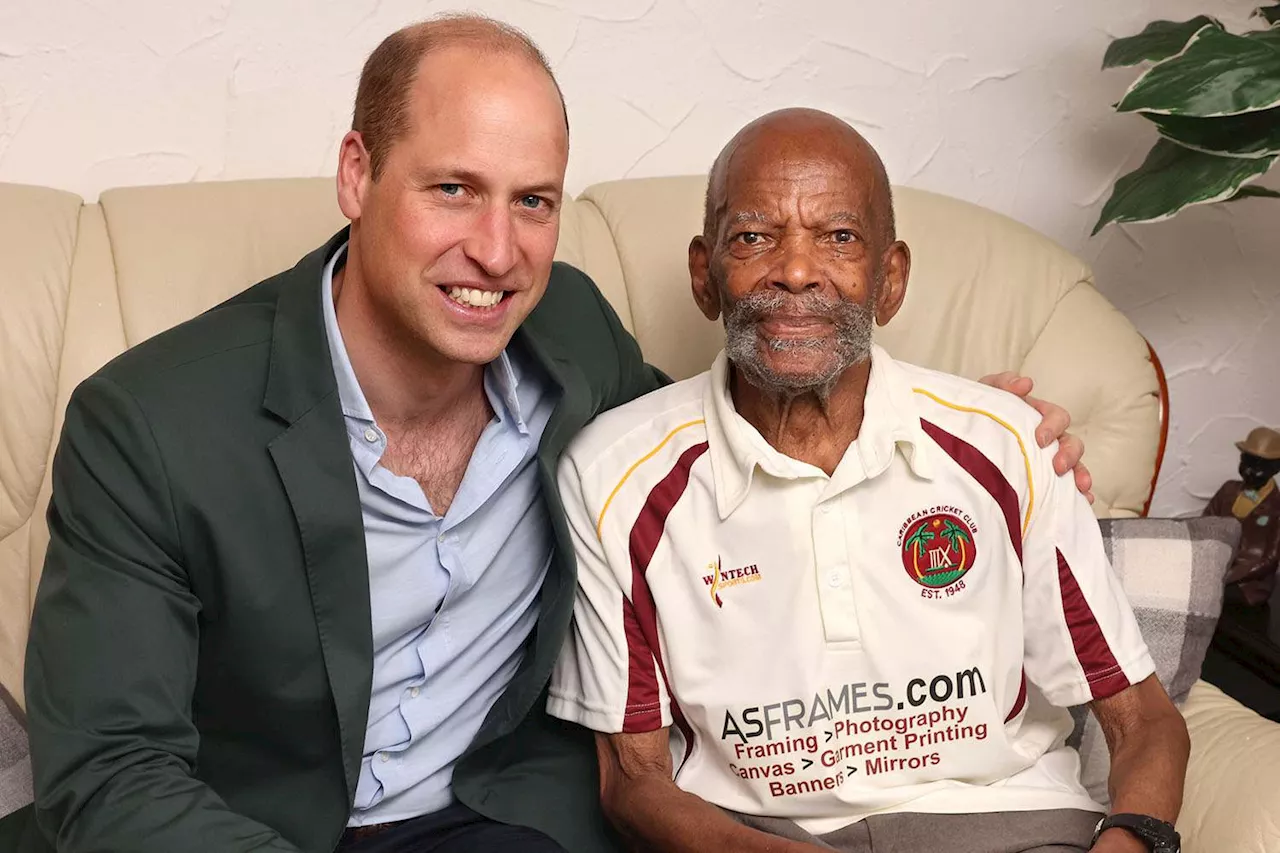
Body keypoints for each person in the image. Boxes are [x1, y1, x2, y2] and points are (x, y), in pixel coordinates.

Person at [2, 17, 1090, 853]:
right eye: (452, 189)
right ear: (355, 174)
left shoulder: (567, 328)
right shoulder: (145, 423)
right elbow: (110, 771)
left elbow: (726, 446)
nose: (496, 249)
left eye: (532, 201)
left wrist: (976, 427)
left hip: (510, 816)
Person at [547, 108, 1189, 853]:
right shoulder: (611, 477)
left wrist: (1128, 846)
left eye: (839, 237)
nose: (795, 270)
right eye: (754, 237)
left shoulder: (1010, 444)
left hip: (1014, 827)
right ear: (705, 274)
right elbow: (633, 782)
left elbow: (1144, 720)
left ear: (890, 279)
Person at [1203, 426, 1280, 606]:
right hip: (1214, 568)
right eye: (1246, 462)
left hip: (1247, 584)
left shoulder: (1277, 508)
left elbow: (1269, 560)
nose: (1249, 471)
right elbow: (1205, 524)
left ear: (1276, 468)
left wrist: (1226, 576)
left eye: (1259, 467)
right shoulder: (1227, 490)